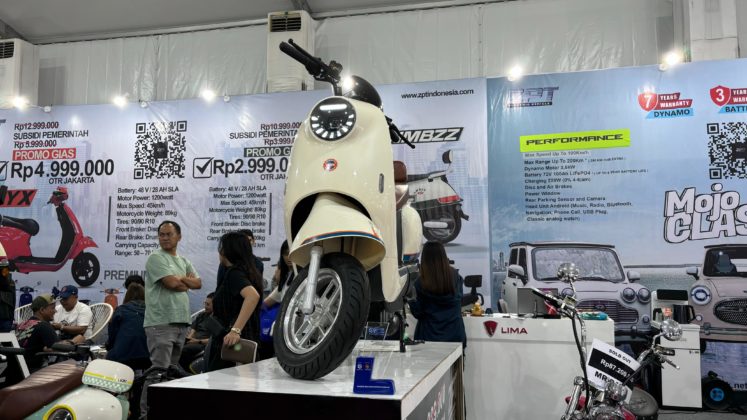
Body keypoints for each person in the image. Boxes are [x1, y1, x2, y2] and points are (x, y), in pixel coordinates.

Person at [142, 220, 201, 416]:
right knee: (158, 372)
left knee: (172, 374)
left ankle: (164, 412)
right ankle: (146, 414)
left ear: (179, 237)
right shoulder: (155, 258)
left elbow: (198, 283)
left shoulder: (184, 261)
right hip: (161, 322)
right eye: (162, 234)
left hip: (181, 322)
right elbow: (173, 284)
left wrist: (181, 279)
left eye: (169, 234)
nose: (165, 238)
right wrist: (185, 280)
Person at [206, 232, 262, 371]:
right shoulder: (247, 271)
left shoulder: (234, 273)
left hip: (232, 343)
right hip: (234, 339)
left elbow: (252, 296)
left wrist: (235, 331)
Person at [408, 241, 466, 349]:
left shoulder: (419, 283)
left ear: (424, 259)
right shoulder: (456, 277)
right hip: (455, 336)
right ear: (443, 256)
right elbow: (459, 301)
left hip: (428, 338)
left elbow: (417, 312)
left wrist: (410, 298)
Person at [15, 294, 73, 371]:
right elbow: (59, 348)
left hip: (16, 370)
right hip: (31, 372)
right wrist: (75, 341)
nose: (55, 311)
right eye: (52, 308)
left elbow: (35, 347)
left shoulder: (22, 324)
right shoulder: (43, 325)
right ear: (42, 310)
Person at [106, 283, 150, 371]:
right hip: (148, 357)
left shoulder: (120, 310)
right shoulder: (151, 310)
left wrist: (109, 348)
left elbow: (112, 335)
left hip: (122, 356)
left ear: (127, 295)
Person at [178, 292, 214, 371]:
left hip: (203, 345)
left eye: (208, 304)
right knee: (176, 345)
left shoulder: (217, 320)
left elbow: (213, 340)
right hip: (194, 341)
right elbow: (193, 330)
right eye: (205, 303)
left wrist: (197, 341)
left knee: (184, 350)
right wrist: (188, 339)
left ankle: (182, 370)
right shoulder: (202, 315)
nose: (205, 306)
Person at [0, 258, 15, 332]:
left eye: (6, 268)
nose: (5, 270)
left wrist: (11, 317)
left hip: (6, 317)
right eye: (3, 268)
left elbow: (13, 300)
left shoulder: (10, 282)